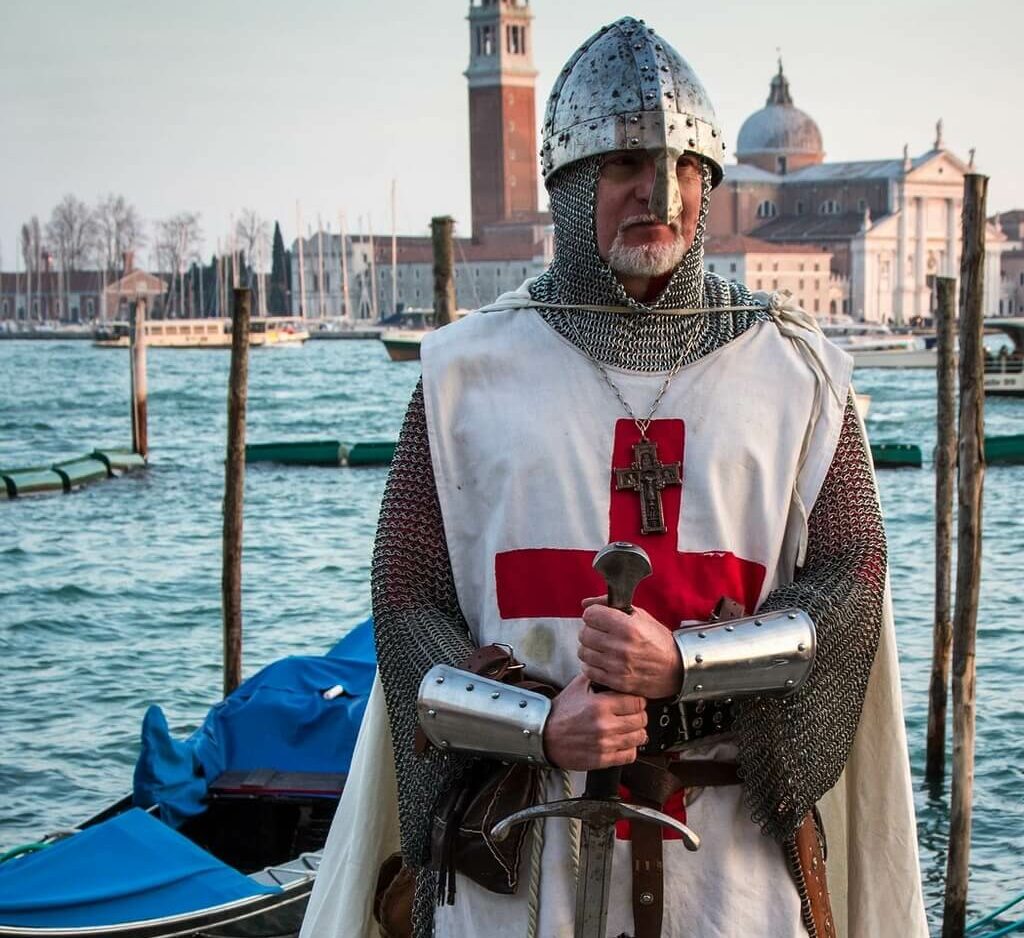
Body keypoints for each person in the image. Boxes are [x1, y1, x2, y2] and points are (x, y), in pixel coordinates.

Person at [302, 16, 925, 938]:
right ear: (571, 181)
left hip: (729, 868)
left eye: (681, 168)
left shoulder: (797, 371)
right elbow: (409, 607)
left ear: (710, 183)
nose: (658, 192)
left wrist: (683, 664)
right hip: (521, 855)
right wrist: (539, 725)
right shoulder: (467, 375)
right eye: (627, 164)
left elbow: (850, 585)